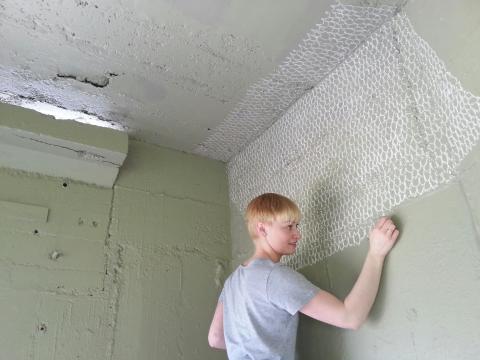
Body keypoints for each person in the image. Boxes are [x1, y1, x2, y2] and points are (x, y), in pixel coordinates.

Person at [208, 192, 399, 359]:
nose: (297, 234)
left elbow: (215, 338)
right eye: (289, 226)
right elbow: (350, 317)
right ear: (262, 229)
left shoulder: (232, 282)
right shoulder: (276, 277)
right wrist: (376, 253)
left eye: (296, 226)